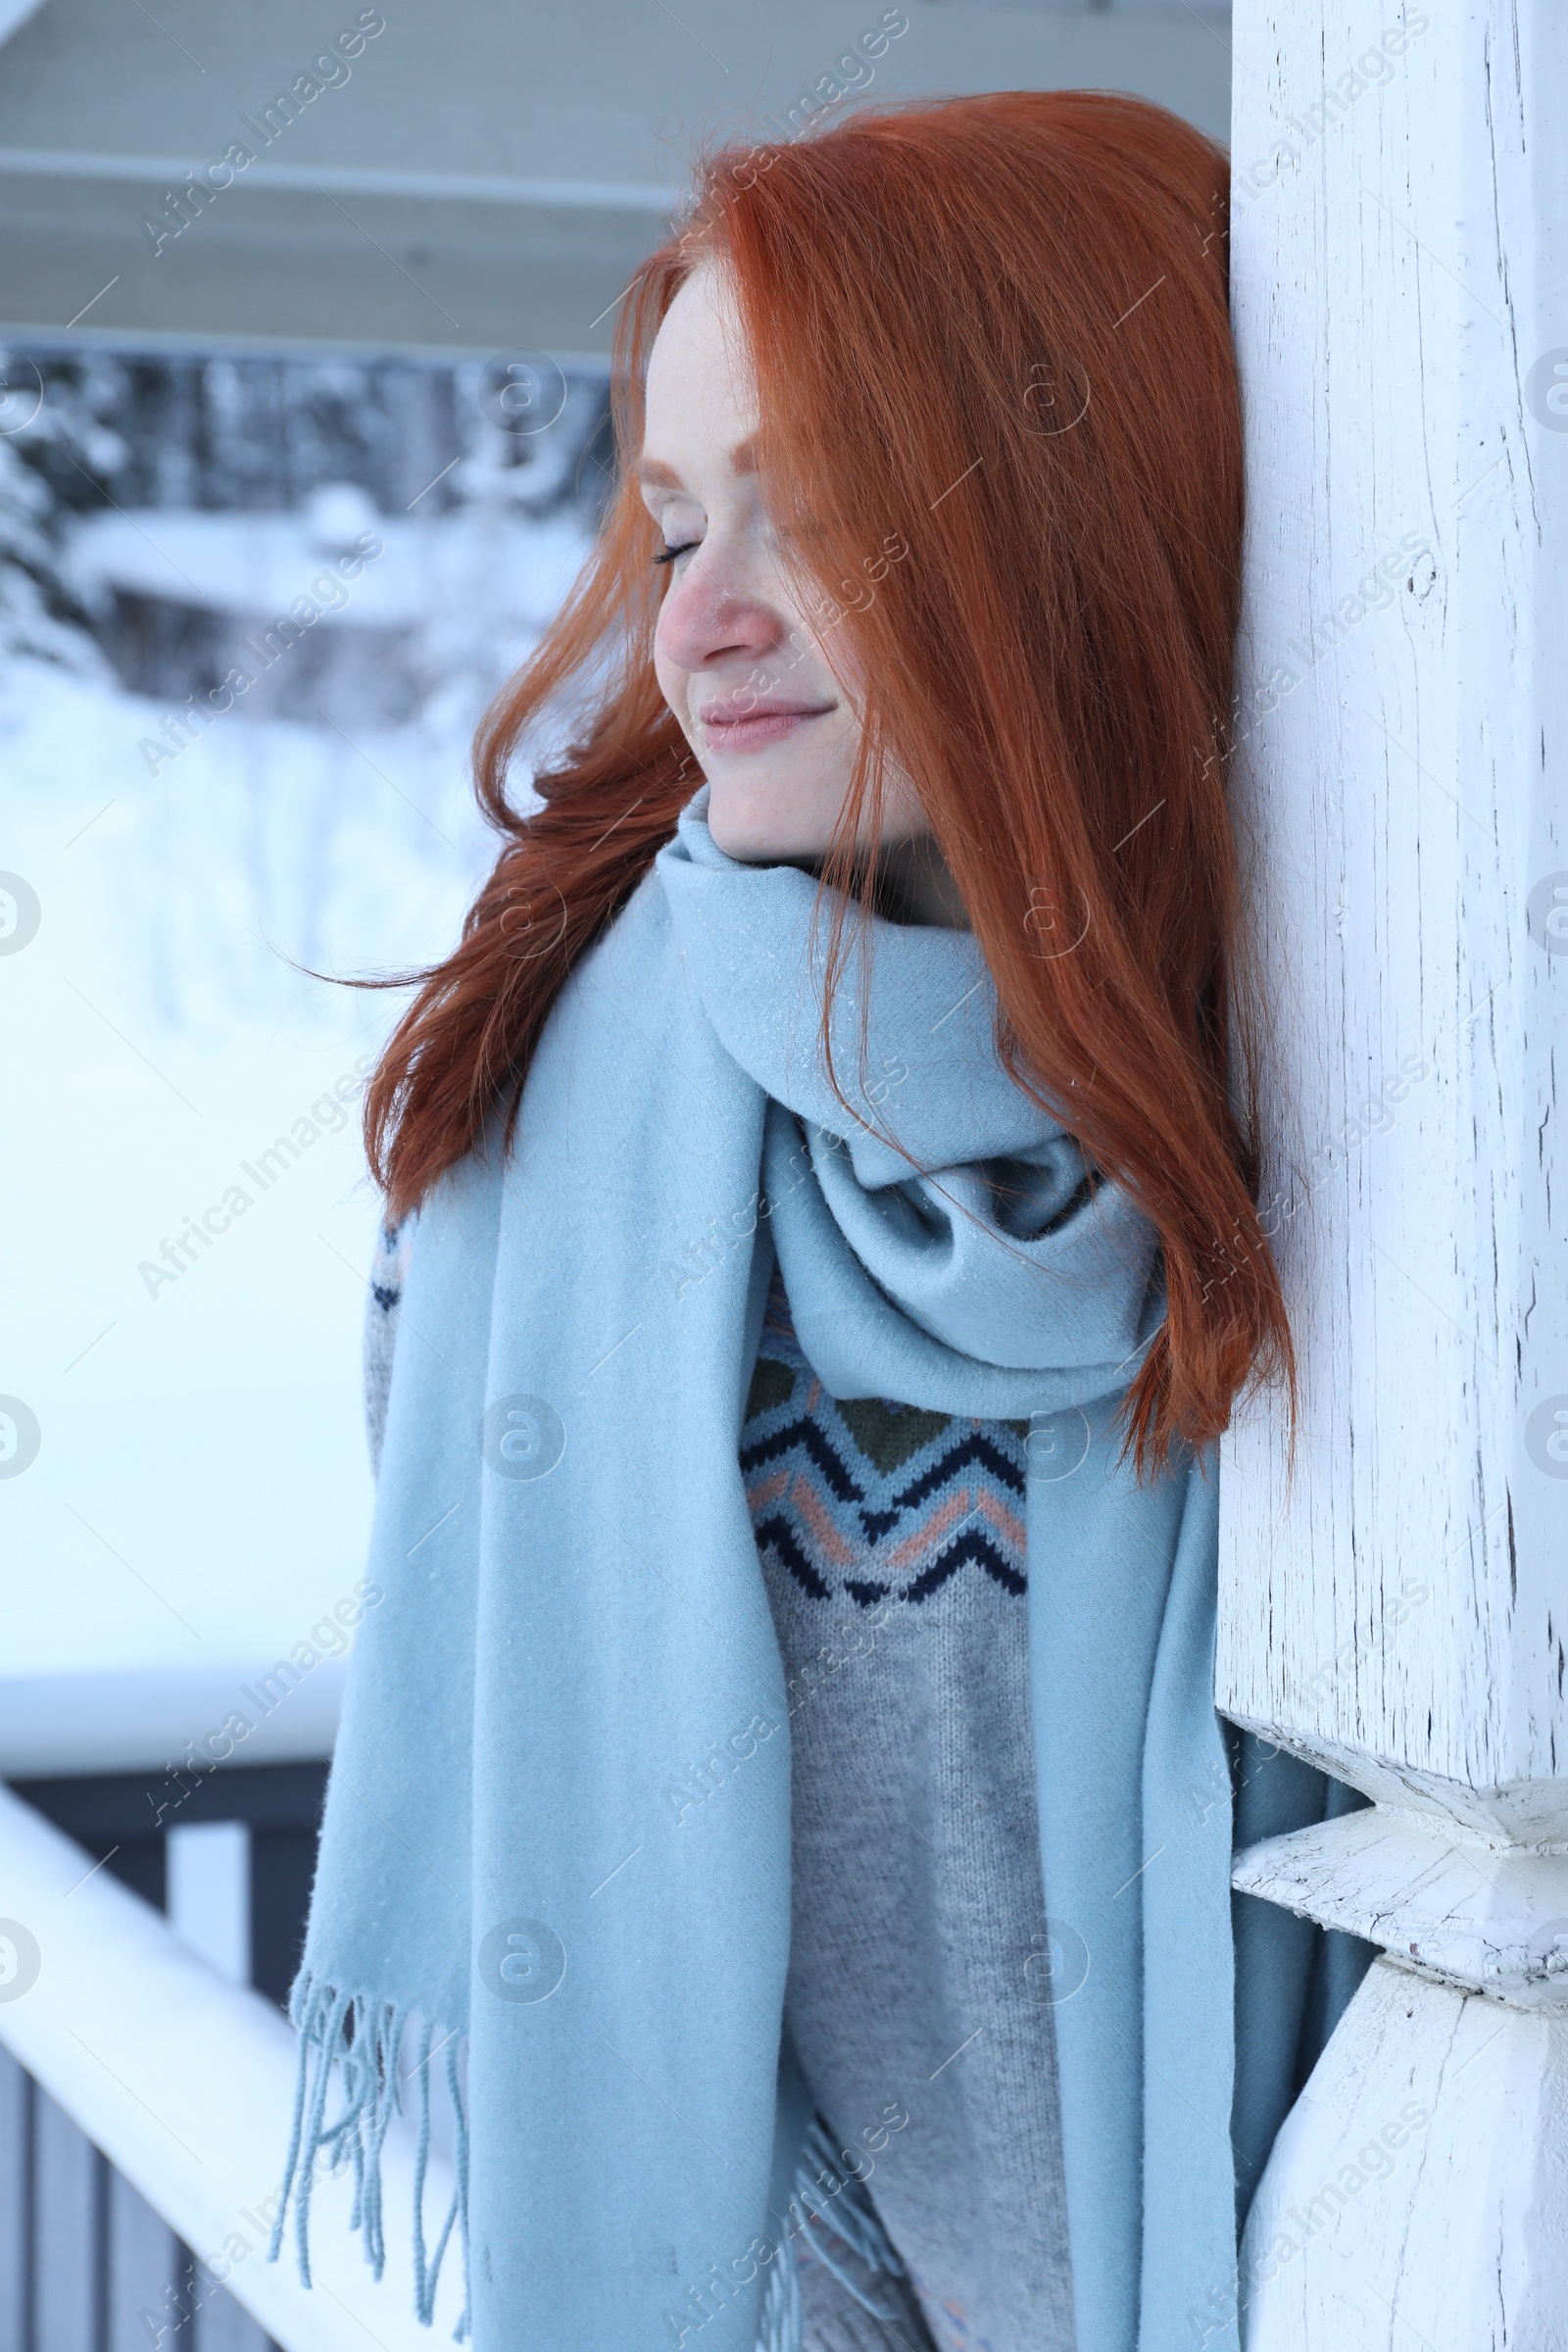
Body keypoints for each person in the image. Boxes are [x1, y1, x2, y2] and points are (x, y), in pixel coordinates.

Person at [271, 89, 1370, 2352]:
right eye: (676, 527)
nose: (704, 625)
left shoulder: (1385, 1096)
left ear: (1076, 496)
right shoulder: (534, 1152)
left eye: (824, 504)